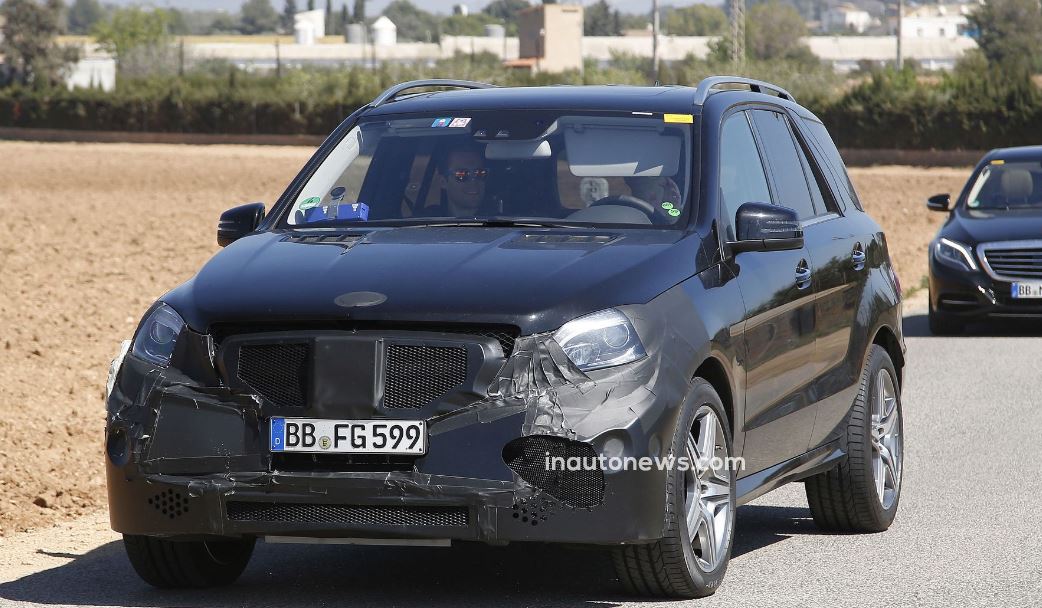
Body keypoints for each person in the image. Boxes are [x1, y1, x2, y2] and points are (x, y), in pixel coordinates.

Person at [437, 144, 488, 217]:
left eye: (479, 173)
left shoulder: (502, 222)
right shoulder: (424, 221)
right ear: (443, 182)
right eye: (462, 175)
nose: (473, 181)